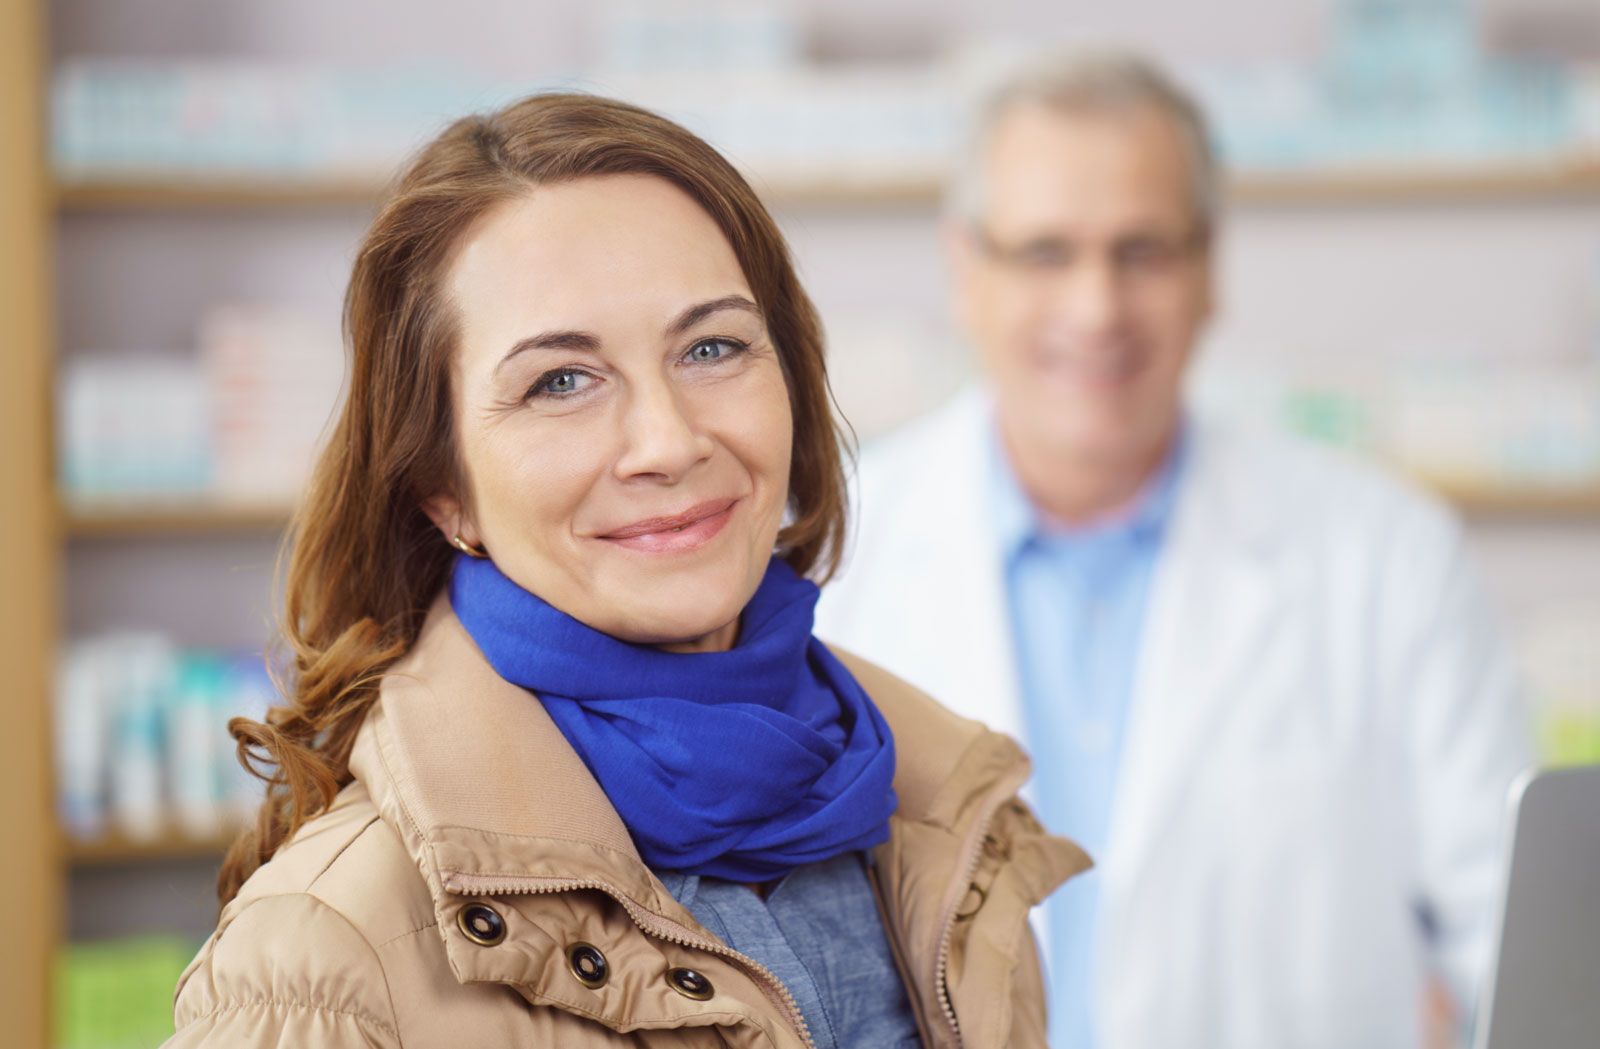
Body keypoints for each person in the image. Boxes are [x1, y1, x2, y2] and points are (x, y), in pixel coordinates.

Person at [164, 94, 1088, 1049]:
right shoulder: (323, 956)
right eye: (560, 380)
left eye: (712, 347)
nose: (668, 441)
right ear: (444, 488)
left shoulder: (957, 828)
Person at [814, 49, 1533, 1049]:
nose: (1097, 307)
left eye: (1142, 251)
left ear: (1207, 271)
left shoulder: (1385, 559)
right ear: (964, 269)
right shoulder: (834, 559)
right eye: (1045, 252)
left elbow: (1508, 938)